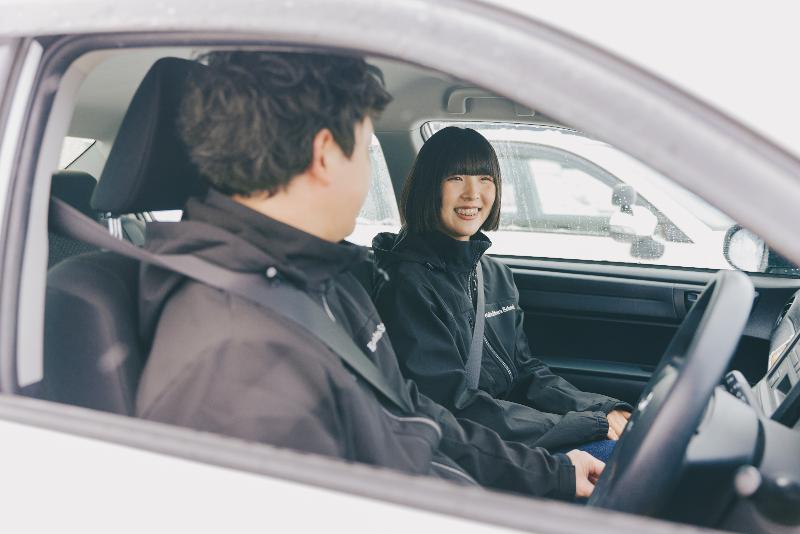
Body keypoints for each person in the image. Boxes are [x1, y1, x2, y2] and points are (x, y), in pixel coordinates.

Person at [135, 51, 603, 500]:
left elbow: (413, 414)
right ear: (325, 155)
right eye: (364, 149)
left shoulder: (329, 282)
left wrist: (552, 473)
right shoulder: (236, 350)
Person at [372, 127, 632, 462]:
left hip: (507, 429)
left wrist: (603, 409)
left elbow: (525, 371)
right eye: (455, 178)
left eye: (484, 179)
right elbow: (453, 405)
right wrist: (582, 426)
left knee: (632, 443)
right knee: (617, 460)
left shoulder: (492, 273)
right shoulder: (406, 286)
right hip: (471, 445)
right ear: (428, 187)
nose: (472, 194)